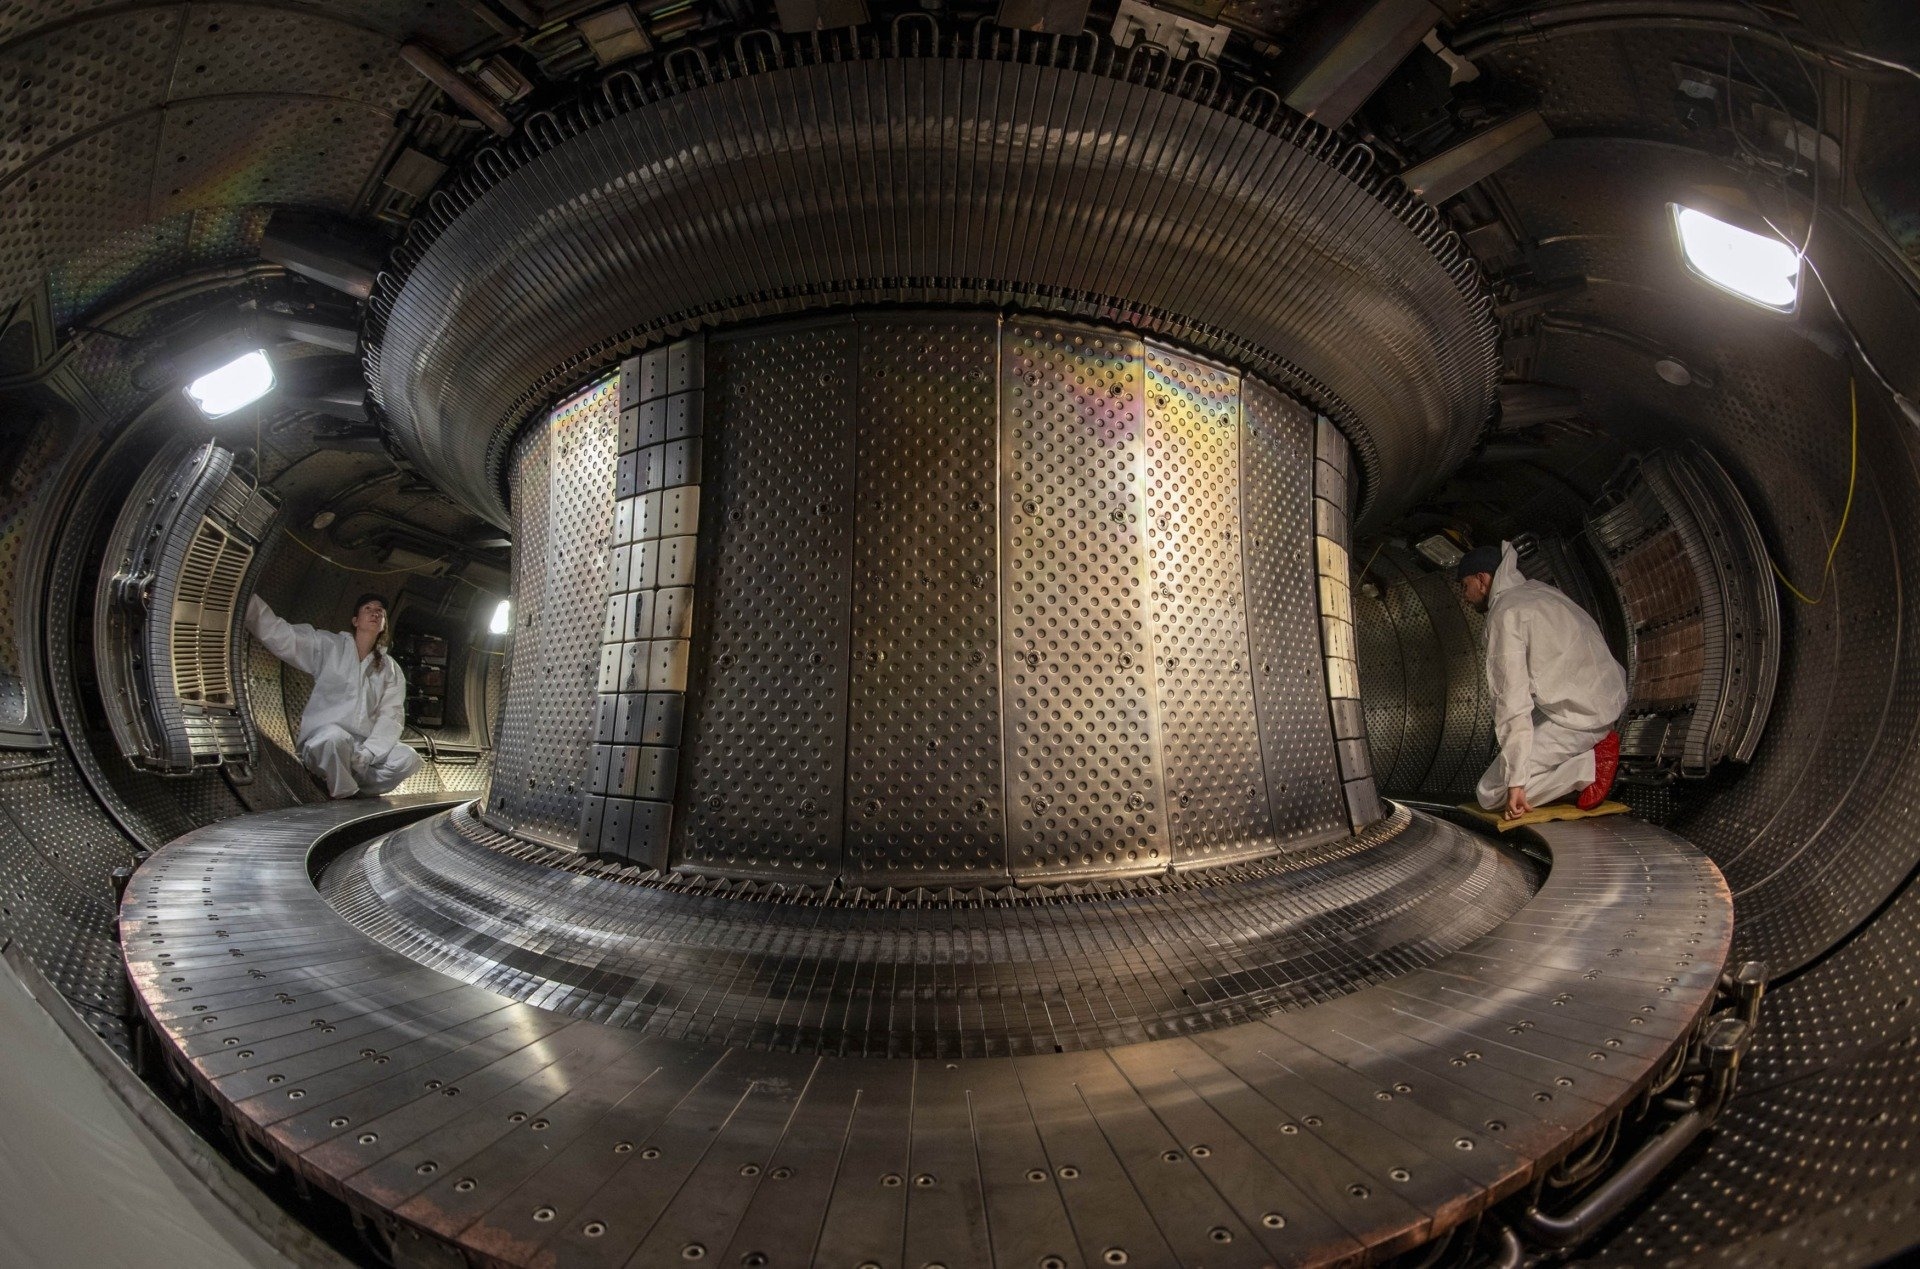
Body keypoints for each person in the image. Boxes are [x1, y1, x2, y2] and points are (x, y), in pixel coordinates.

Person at [1456, 541, 1627, 820]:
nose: (1465, 596)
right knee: (1516, 756)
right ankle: (1586, 752)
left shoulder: (1505, 614)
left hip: (1579, 719)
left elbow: (1511, 700)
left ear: (1482, 579)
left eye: (1465, 586)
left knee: (1489, 793)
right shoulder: (1540, 591)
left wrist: (1516, 783)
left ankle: (1587, 767)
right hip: (1600, 700)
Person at [246, 592, 422, 798]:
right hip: (325, 740)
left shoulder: (389, 668)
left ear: (383, 624)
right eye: (368, 609)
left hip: (361, 747)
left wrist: (369, 752)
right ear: (355, 621)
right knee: (334, 740)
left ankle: (353, 786)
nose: (375, 613)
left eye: (380, 611)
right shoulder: (330, 646)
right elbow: (282, 635)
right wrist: (247, 600)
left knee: (407, 759)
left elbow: (391, 715)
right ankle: (345, 794)